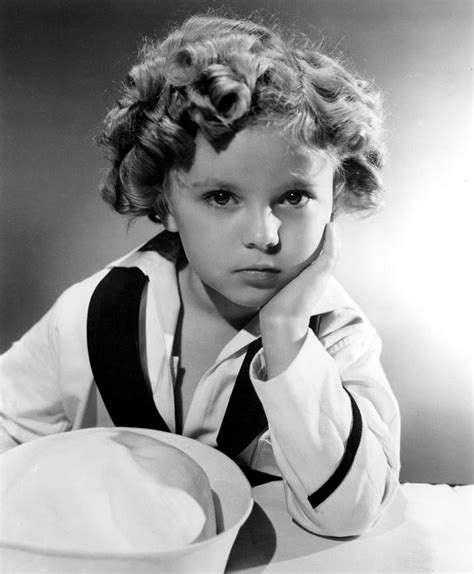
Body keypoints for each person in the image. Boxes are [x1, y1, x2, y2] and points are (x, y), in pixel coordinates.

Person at [0, 14, 400, 537]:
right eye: (220, 197)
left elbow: (349, 515)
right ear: (164, 203)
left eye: (295, 197)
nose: (265, 234)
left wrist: (286, 336)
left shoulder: (337, 338)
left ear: (335, 200)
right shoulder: (94, 310)